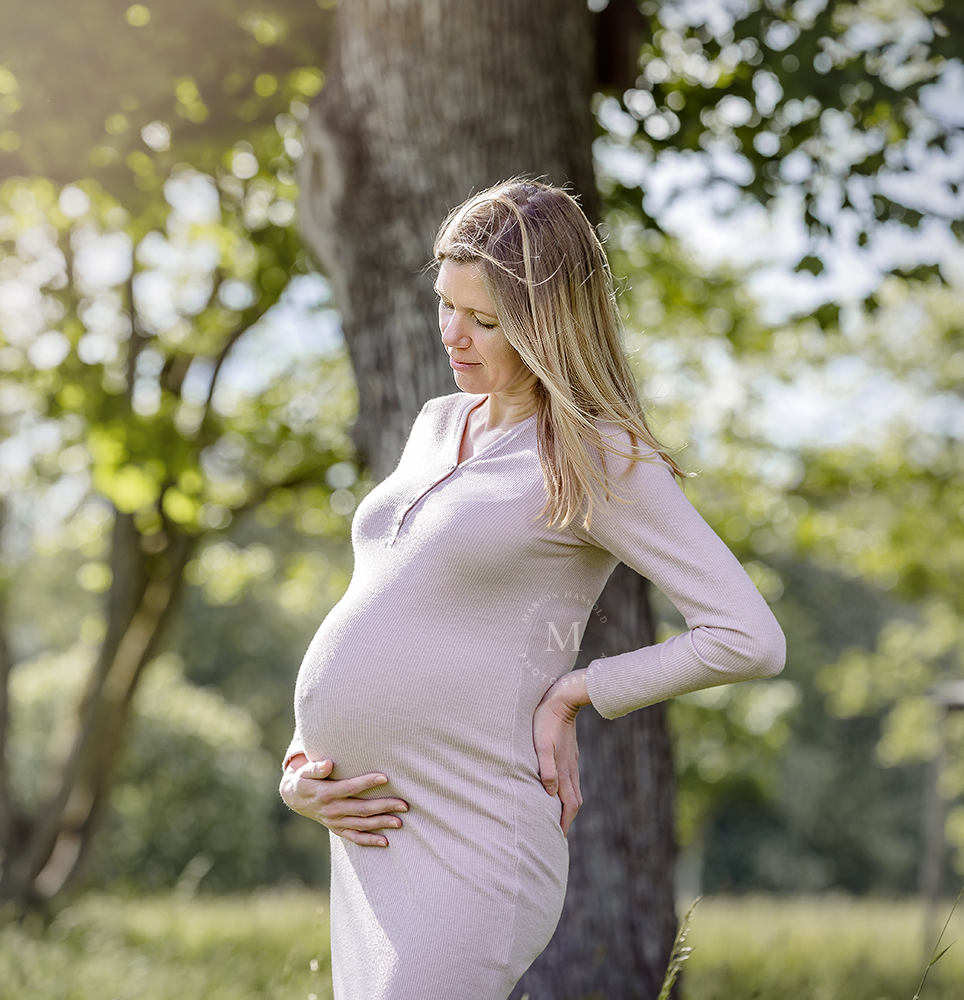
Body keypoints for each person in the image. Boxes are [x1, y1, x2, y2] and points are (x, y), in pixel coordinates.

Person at [278, 179, 786, 999]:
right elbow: (385, 603)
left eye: (486, 321)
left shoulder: (597, 455)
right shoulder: (438, 423)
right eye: (447, 304)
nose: (455, 336)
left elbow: (748, 636)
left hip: (473, 836)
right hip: (372, 834)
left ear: (549, 326)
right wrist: (303, 763)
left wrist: (580, 691)